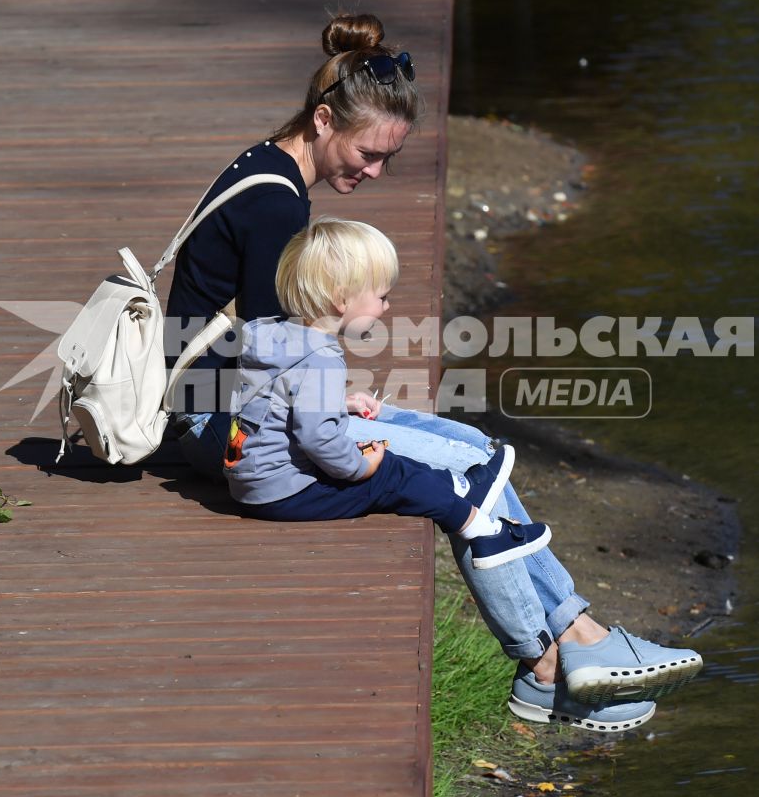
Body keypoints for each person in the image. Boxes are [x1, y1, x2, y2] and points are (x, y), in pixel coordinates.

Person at [165, 10, 702, 732]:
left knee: (477, 452)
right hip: (216, 421)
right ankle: (558, 657)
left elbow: (272, 347)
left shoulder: (268, 168)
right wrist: (339, 411)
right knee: (467, 474)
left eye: (389, 159)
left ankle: (575, 641)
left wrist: (335, 395)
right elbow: (279, 347)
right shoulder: (274, 207)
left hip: (222, 399)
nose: (375, 171)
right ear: (324, 120)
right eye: (368, 153)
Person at [222, 217, 555, 574]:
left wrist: (341, 404)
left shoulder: (274, 337)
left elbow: (277, 401)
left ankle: (458, 487)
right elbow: (318, 438)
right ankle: (484, 532)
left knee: (388, 462)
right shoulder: (321, 359)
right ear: (341, 300)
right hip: (285, 494)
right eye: (382, 297)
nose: (387, 307)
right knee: (388, 473)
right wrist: (359, 467)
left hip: (252, 481)